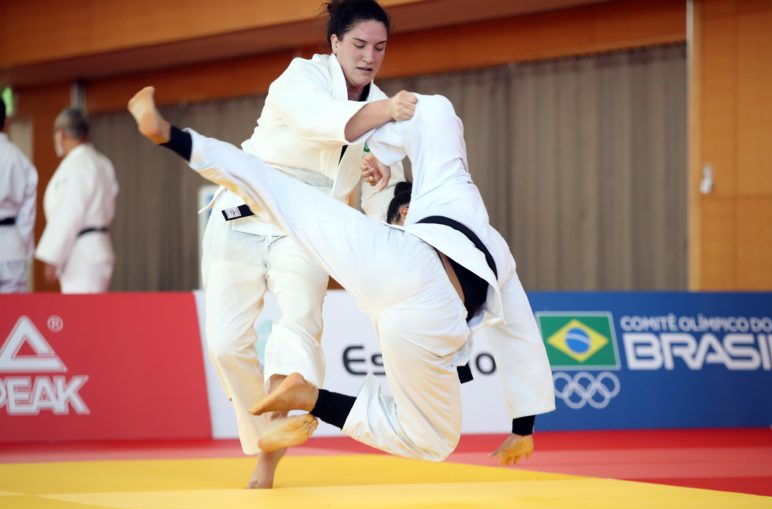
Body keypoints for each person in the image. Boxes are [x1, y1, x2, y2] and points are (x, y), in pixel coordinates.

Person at [131, 85, 555, 466]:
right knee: (433, 441)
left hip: (396, 263)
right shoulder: (470, 208)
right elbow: (519, 336)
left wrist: (384, 151)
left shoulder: (435, 186)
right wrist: (523, 427)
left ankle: (173, 136)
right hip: (431, 312)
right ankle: (313, 399)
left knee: (282, 195)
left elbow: (434, 114)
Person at [200, 0, 413, 488]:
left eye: (380, 47)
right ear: (335, 42)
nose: (369, 56)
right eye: (359, 44)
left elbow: (387, 192)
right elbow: (319, 120)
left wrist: (384, 187)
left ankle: (275, 443)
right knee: (226, 344)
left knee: (299, 318)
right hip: (245, 209)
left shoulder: (387, 117)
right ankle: (268, 432)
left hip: (309, 221)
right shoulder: (301, 77)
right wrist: (383, 110)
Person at [35, 108, 118, 293]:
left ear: (62, 134)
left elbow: (70, 212)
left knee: (82, 315)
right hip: (96, 247)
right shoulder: (101, 161)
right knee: (91, 313)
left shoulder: (77, 164)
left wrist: (53, 257)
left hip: (82, 255)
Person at [0, 99, 38, 293]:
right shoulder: (18, 158)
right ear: (6, 121)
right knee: (11, 311)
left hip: (11, 241)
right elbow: (28, 209)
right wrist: (23, 243)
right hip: (10, 243)